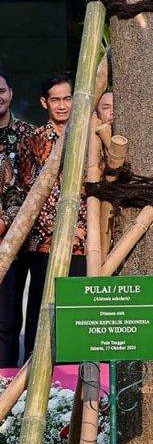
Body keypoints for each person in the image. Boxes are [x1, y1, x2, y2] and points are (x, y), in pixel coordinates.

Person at [17, 73, 87, 361]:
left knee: (79, 310)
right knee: (42, 307)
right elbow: (29, 192)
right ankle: (37, 367)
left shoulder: (88, 137)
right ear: (44, 102)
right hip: (45, 241)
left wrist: (82, 229)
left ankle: (77, 374)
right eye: (55, 99)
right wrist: (62, 228)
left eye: (67, 98)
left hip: (85, 241)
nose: (62, 105)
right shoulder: (32, 140)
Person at [0, 71, 33, 366]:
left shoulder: (27, 136)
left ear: (10, 92)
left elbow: (32, 187)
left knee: (8, 320)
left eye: (1, 90)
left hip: (14, 240)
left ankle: (5, 382)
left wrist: (7, 221)